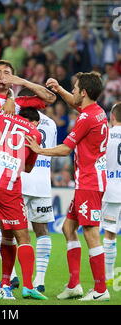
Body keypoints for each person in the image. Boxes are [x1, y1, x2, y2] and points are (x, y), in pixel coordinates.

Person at [0, 11, 56, 299]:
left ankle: (3, 284)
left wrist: (21, 81)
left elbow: (49, 99)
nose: (2, 76)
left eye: (7, 72)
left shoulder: (17, 103)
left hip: (5, 170)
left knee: (6, 233)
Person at [27, 72, 110, 301]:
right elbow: (76, 103)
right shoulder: (97, 111)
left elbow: (65, 148)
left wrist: (39, 149)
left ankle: (101, 289)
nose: (72, 91)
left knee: (92, 233)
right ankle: (74, 285)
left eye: (74, 88)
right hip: (88, 180)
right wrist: (59, 89)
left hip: (89, 183)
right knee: (68, 228)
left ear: (83, 92)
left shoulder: (86, 118)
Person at [0, 107, 48, 300]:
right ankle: (24, 286)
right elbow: (28, 168)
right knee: (21, 237)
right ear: (34, 122)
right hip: (7, 186)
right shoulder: (34, 132)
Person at [0, 86, 57, 294]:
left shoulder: (16, 121)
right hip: (42, 184)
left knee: (5, 230)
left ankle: (11, 277)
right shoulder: (51, 124)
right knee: (42, 231)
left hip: (18, 180)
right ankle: (39, 280)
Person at [101, 102, 121, 286]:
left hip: (112, 190)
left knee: (110, 234)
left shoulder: (106, 135)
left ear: (112, 117)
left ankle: (108, 278)